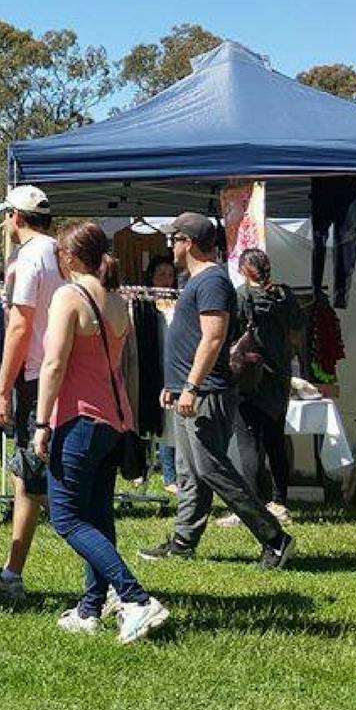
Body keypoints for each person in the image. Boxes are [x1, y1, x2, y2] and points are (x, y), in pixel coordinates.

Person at [32, 222, 169, 642]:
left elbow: (54, 365)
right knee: (97, 516)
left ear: (70, 257)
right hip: (114, 421)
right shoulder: (116, 302)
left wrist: (40, 422)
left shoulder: (69, 297)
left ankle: (135, 597)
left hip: (78, 420)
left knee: (67, 518)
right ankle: (91, 607)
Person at [140, 213, 295, 570]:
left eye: (174, 239)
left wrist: (192, 386)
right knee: (189, 471)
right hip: (190, 391)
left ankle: (275, 537)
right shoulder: (195, 280)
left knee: (211, 469)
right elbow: (192, 339)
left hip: (206, 393)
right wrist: (174, 386)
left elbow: (213, 338)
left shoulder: (212, 282)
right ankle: (183, 541)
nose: (170, 246)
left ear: (189, 242)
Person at [0, 184, 62, 597]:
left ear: (16, 217)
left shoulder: (26, 261)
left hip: (34, 378)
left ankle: (14, 574)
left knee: (32, 476)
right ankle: (13, 568)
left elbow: (18, 326)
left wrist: (0, 388)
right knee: (30, 476)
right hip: (61, 374)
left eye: (6, 216)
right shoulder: (62, 253)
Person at [223, 248, 304, 523]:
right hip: (279, 377)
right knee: (276, 441)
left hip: (249, 377)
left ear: (245, 269)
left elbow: (230, 333)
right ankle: (280, 502)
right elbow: (297, 327)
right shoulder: (285, 295)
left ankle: (253, 506)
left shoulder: (242, 296)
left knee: (249, 443)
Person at [146, 257, 181, 494]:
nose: (166, 280)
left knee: (172, 419)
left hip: (172, 366)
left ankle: (172, 473)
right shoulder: (145, 303)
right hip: (151, 364)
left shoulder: (179, 302)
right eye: (161, 275)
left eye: (170, 275)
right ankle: (153, 467)